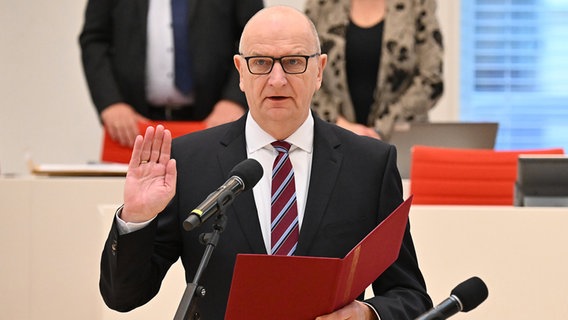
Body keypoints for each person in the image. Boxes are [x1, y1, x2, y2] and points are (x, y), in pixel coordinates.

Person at [99, 6, 432, 319]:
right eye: (260, 62)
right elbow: (124, 297)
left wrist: (368, 313)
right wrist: (137, 220)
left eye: (294, 61)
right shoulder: (187, 161)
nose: (277, 79)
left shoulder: (370, 165)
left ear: (319, 70)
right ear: (241, 72)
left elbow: (410, 295)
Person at [79, 0, 264, 147]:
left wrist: (234, 100)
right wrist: (111, 103)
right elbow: (95, 40)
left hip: (215, 118)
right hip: (134, 123)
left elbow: (256, 40)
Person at [304, 0, 444, 141]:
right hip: (332, 139)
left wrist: (381, 129)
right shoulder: (320, 5)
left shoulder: (418, 4)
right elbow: (304, 71)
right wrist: (338, 123)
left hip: (400, 141)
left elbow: (432, 79)